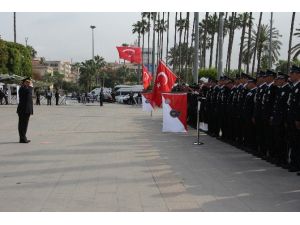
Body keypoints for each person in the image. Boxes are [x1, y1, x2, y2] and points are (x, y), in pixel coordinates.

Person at [17, 78, 33, 143]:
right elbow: (28, 94)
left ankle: (23, 138)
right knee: (23, 124)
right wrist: (30, 87)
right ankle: (23, 138)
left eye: (29, 82)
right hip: (23, 110)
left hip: (25, 109)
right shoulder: (23, 89)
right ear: (23, 83)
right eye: (27, 82)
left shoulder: (25, 88)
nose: (29, 83)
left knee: (23, 124)